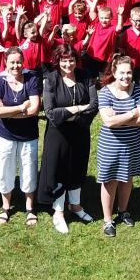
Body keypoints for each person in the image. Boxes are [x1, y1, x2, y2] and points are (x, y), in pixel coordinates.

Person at [39, 44, 97, 234]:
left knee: (78, 167)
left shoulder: (85, 76)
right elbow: (50, 112)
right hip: (58, 134)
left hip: (80, 131)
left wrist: (71, 114)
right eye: (64, 60)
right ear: (58, 61)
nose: (68, 64)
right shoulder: (51, 79)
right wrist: (77, 109)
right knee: (59, 169)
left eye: (71, 59)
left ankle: (76, 205)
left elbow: (94, 105)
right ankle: (59, 211)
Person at [96, 55, 140, 238]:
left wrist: (119, 117)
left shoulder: (139, 90)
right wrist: (132, 113)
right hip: (111, 145)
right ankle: (108, 220)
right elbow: (108, 122)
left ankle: (123, 210)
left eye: (129, 72)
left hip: (132, 143)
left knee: (127, 177)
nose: (126, 76)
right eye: (122, 73)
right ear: (114, 72)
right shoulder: (104, 92)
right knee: (110, 180)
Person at [0, 47, 41, 226]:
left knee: (29, 170)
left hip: (28, 136)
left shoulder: (32, 78)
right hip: (5, 135)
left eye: (19, 61)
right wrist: (20, 108)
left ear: (23, 61)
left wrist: (7, 112)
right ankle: (6, 206)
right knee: (5, 170)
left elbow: (34, 109)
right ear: (6, 62)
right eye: (12, 62)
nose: (16, 65)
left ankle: (29, 207)